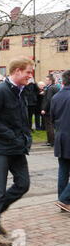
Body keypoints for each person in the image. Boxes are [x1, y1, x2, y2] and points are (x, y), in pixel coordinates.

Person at [0, 56, 34, 246]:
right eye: (28, 71)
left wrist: (24, 138)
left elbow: (21, 119)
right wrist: (12, 136)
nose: (30, 76)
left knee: (23, 184)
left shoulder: (21, 91)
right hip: (1, 148)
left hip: (17, 148)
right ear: (17, 71)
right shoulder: (0, 90)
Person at [51, 70, 70, 212]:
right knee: (63, 170)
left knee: (63, 170)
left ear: (63, 81)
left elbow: (52, 118)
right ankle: (64, 199)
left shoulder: (56, 96)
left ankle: (63, 200)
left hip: (60, 137)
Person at [41, 74, 59, 147]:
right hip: (54, 109)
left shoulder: (50, 88)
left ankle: (51, 141)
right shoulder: (56, 87)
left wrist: (44, 109)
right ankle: (51, 141)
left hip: (49, 110)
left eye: (47, 80)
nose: (45, 81)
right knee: (51, 125)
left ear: (50, 81)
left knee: (49, 126)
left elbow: (48, 100)